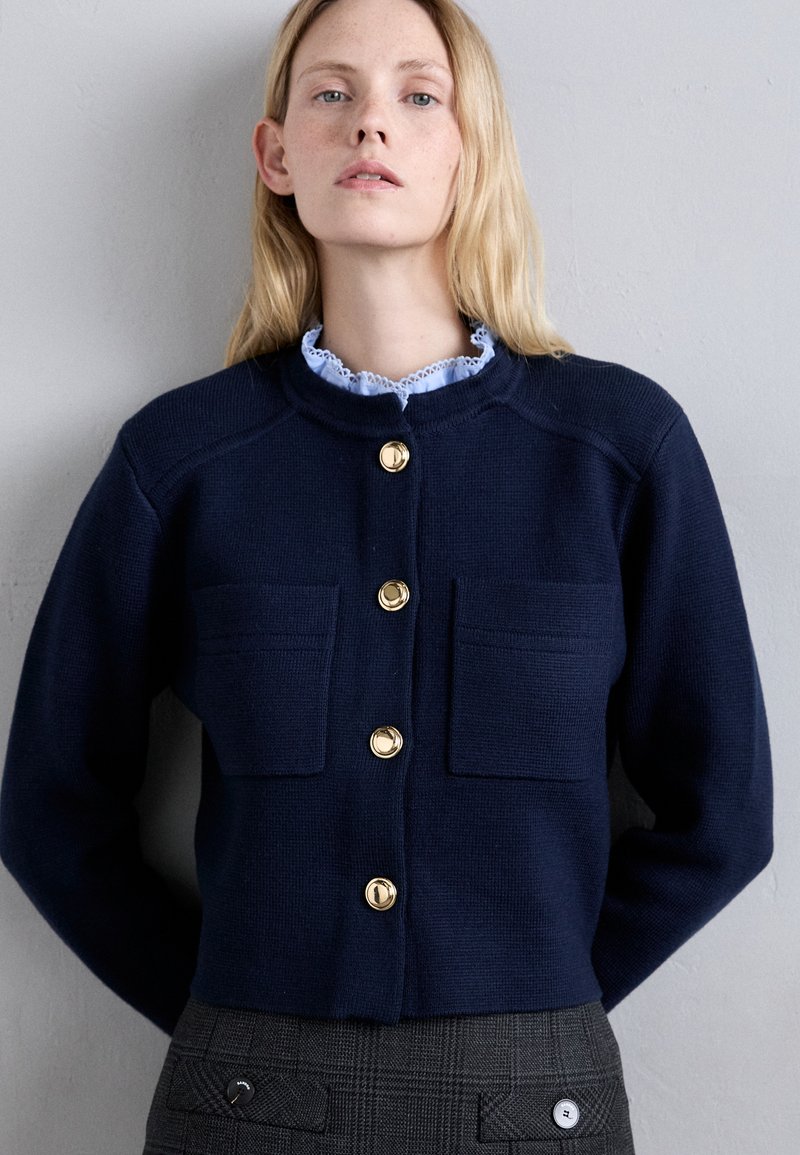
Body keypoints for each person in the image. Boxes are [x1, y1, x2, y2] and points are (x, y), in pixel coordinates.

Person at [0, 0, 773, 1152]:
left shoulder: (618, 450)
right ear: (275, 155)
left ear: (470, 149)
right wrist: (228, 1008)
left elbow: (724, 815)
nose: (371, 125)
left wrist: (545, 1000)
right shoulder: (181, 461)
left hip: (537, 1105)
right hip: (241, 1100)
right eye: (331, 94)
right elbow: (50, 807)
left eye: (418, 96)